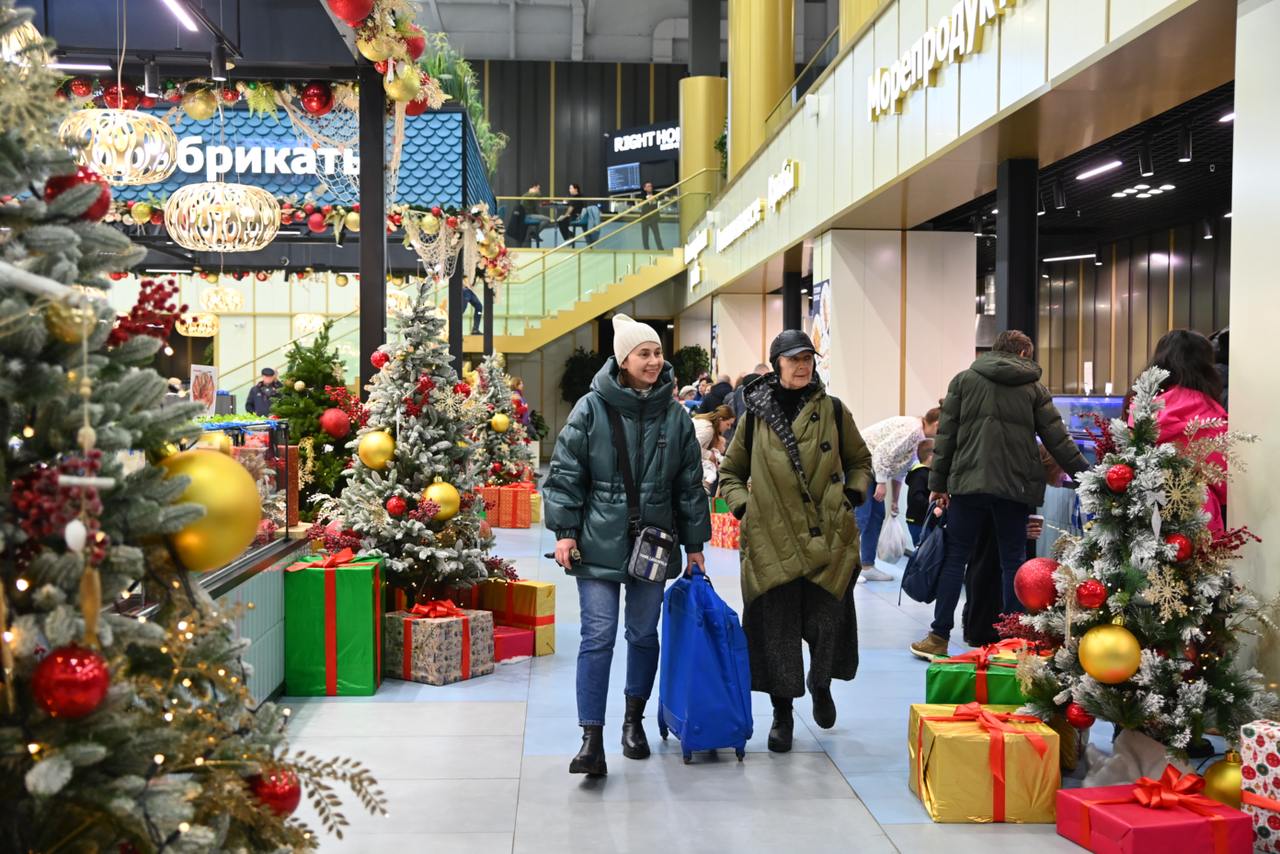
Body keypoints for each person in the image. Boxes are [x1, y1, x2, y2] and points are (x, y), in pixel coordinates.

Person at [543, 314, 711, 777]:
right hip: (596, 543)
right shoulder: (591, 409)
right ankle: (590, 740)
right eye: (645, 353)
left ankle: (632, 722)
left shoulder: (676, 418)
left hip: (653, 546)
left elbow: (690, 485)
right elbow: (565, 473)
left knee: (642, 634)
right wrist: (564, 531)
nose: (655, 361)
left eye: (658, 352)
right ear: (623, 360)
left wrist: (695, 545)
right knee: (597, 637)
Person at [718, 330, 873, 752]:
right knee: (777, 633)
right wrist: (745, 508)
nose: (802, 365)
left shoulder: (835, 411)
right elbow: (729, 473)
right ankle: (782, 715)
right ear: (776, 364)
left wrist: (852, 494)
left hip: (826, 536)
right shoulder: (753, 417)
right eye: (793, 359)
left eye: (808, 357)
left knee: (828, 623)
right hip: (771, 537)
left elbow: (860, 460)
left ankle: (821, 685)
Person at [912, 329, 1088, 659]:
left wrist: (938, 484)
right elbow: (1057, 439)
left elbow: (945, 437)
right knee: (1013, 562)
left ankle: (938, 637)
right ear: (1023, 354)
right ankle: (1012, 641)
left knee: (956, 558)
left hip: (968, 484)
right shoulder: (1034, 388)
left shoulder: (963, 381)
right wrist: (1088, 477)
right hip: (1015, 487)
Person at [1134, 329, 1229, 533]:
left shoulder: (1140, 407)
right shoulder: (1209, 413)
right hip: (1197, 517)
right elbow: (1225, 481)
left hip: (1141, 512)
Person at [853, 407, 942, 581]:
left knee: (877, 515)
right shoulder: (913, 430)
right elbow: (881, 453)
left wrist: (894, 500)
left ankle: (867, 565)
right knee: (861, 516)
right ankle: (848, 568)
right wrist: (880, 483)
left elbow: (900, 470)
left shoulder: (920, 437)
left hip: (873, 468)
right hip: (862, 464)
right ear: (938, 424)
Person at [693, 405, 735, 495]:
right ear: (720, 419)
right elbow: (693, 447)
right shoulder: (708, 429)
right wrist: (709, 455)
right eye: (728, 424)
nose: (729, 428)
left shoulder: (705, 423)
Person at [904, 439, 934, 546]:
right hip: (917, 522)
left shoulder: (926, 474)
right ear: (931, 457)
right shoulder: (920, 474)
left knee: (925, 553)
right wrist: (933, 508)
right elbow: (916, 497)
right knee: (923, 553)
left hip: (922, 521)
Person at [637, 181, 663, 250]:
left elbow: (662, 197)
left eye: (651, 186)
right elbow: (639, 204)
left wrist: (654, 198)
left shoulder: (656, 195)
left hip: (653, 218)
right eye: (648, 186)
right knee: (645, 236)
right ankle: (646, 250)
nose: (650, 188)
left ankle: (660, 249)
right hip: (645, 218)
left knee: (657, 235)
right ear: (644, 188)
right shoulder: (641, 196)